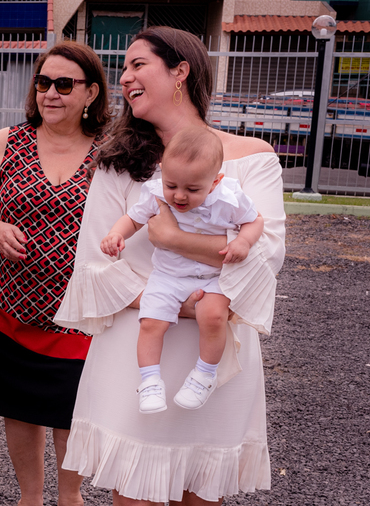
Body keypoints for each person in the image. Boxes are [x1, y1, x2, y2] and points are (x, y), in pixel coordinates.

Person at [54, 27, 284, 506]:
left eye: (136, 65)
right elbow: (98, 266)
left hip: (218, 360)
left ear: (180, 72)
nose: (123, 77)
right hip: (140, 349)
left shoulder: (253, 159)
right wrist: (187, 288)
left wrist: (174, 244)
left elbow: (262, 259)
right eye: (121, 67)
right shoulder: (118, 164)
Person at [0, 40, 110, 506]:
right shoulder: (9, 141)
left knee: (70, 412)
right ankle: (30, 505)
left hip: (80, 311)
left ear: (90, 92)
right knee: (19, 408)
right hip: (11, 306)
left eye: (64, 84)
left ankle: (72, 505)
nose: (50, 93)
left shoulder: (113, 147)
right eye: (43, 82)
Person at [99, 126, 266, 413]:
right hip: (168, 275)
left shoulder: (229, 198)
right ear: (162, 171)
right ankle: (150, 381)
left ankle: (205, 374)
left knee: (214, 316)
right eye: (172, 185)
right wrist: (116, 234)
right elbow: (133, 219)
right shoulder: (156, 194)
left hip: (212, 277)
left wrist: (243, 241)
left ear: (215, 182)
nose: (179, 196)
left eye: (193, 189)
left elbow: (256, 221)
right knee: (151, 322)